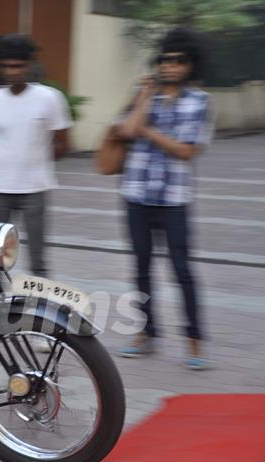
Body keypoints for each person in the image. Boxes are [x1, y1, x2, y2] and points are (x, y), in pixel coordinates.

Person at [116, 28, 214, 370]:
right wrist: (144, 98)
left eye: (178, 60)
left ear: (190, 64)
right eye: (165, 59)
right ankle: (146, 333)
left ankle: (194, 340)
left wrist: (146, 131)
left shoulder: (199, 102)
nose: (170, 66)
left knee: (182, 270)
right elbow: (126, 131)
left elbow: (185, 151)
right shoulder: (145, 95)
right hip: (137, 195)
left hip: (174, 199)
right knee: (141, 269)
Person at [0, 34, 71, 278]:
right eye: (6, 66)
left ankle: (41, 310)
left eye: (18, 66)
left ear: (29, 66)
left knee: (38, 257)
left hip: (35, 189)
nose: (12, 71)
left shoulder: (50, 98)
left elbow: (63, 143)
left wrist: (34, 162)